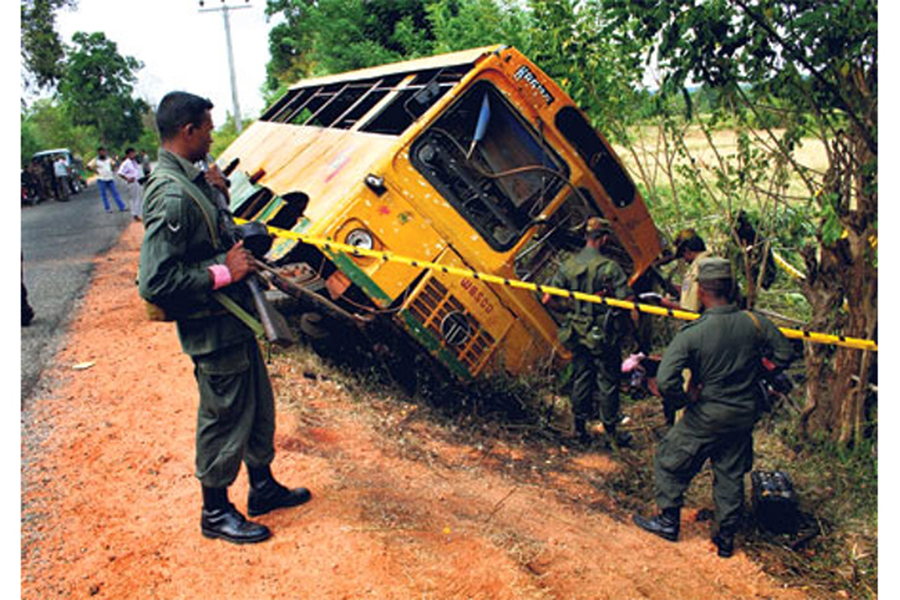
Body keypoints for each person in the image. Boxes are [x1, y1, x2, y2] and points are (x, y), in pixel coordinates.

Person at [138, 91, 310, 545]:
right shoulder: (172, 196)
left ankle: (262, 486)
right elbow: (155, 281)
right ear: (188, 131)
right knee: (223, 415)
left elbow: (212, 232)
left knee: (255, 405)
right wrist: (222, 271)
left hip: (232, 320)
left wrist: (217, 194)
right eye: (208, 128)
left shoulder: (192, 182)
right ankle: (214, 512)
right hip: (211, 327)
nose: (213, 136)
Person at [632, 258, 794, 558]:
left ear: (701, 291)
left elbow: (667, 380)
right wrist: (761, 370)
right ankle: (725, 537)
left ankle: (668, 521)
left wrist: (684, 401)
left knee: (670, 458)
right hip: (744, 413)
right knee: (730, 471)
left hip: (707, 413)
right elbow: (785, 352)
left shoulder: (693, 333)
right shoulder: (756, 323)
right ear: (731, 287)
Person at [542, 217, 634, 448]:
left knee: (581, 377)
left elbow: (547, 298)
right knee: (608, 382)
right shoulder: (610, 268)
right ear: (603, 239)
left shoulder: (569, 265)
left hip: (577, 331)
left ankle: (580, 430)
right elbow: (628, 301)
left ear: (586, 237)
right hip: (604, 334)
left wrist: (570, 309)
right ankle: (611, 433)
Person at [659, 228, 711, 313]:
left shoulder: (697, 270)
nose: (685, 260)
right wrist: (678, 289)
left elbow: (691, 311)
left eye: (683, 256)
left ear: (687, 251)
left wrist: (665, 303)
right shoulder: (709, 262)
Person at [88, 147, 127, 213]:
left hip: (110, 178)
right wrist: (95, 171)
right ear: (98, 153)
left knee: (115, 193)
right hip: (101, 179)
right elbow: (88, 166)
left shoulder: (108, 159)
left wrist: (113, 169)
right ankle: (107, 208)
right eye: (100, 152)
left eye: (103, 151)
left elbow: (114, 164)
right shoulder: (95, 160)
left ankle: (122, 207)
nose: (102, 153)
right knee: (104, 195)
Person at [117, 147, 144, 221]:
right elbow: (120, 173)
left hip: (138, 181)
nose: (133, 154)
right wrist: (127, 178)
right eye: (131, 153)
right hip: (132, 182)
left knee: (140, 197)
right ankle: (135, 214)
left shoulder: (135, 161)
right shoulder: (126, 163)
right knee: (134, 198)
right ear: (128, 155)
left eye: (134, 153)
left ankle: (139, 213)